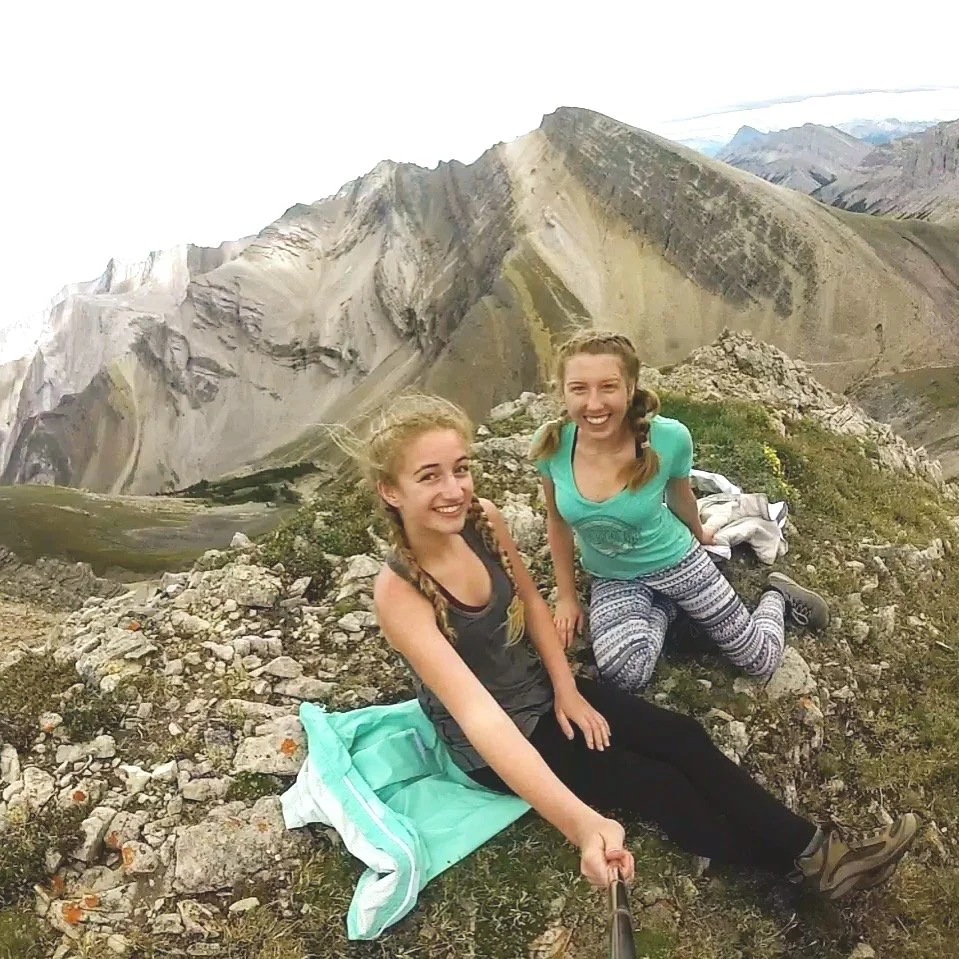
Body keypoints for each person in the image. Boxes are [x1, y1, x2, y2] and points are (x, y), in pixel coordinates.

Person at [357, 392, 918, 899]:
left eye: (460, 469)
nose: (454, 490)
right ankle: (800, 869)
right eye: (429, 477)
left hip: (541, 692)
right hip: (496, 743)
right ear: (390, 490)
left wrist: (567, 690)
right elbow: (481, 718)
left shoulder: (483, 521)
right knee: (658, 786)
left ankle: (819, 855)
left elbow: (531, 603)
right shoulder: (399, 594)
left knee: (682, 736)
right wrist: (581, 824)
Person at [530, 328, 830, 692]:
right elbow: (557, 520)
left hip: (676, 561)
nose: (594, 404)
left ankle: (777, 596)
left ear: (630, 387)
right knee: (624, 673)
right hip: (613, 576)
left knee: (759, 660)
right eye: (579, 388)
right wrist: (566, 596)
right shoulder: (551, 445)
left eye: (608, 387)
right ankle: (670, 607)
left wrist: (700, 534)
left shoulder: (669, 438)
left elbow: (680, 497)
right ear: (563, 390)